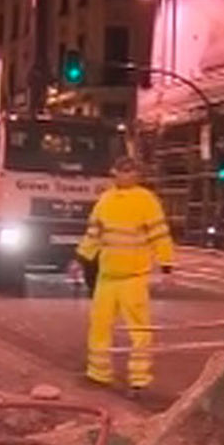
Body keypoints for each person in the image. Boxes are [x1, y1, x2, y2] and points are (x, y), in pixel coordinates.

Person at [74, 155, 175, 394]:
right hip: (107, 276)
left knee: (139, 330)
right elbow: (94, 235)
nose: (122, 175)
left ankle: (139, 379)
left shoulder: (147, 201)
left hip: (133, 277)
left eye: (128, 172)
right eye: (119, 171)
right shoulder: (106, 200)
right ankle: (98, 373)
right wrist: (80, 259)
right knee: (99, 325)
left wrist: (167, 266)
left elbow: (160, 235)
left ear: (137, 175)